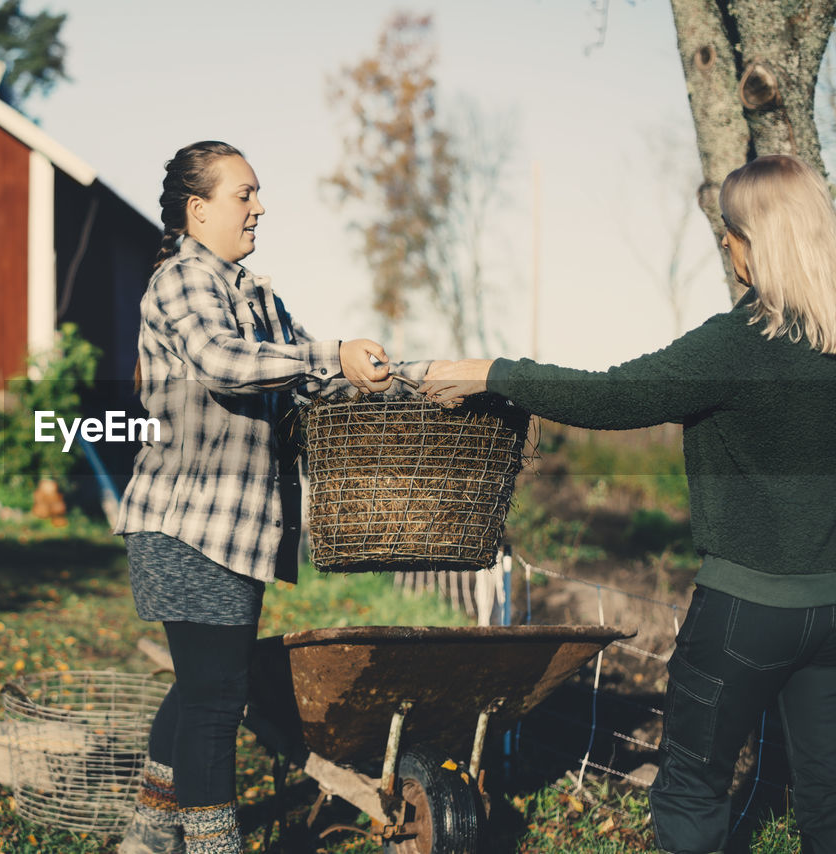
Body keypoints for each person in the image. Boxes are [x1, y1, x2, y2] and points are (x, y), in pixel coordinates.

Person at [418, 153, 836, 854]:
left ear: (749, 244)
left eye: (728, 233)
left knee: (692, 790)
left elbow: (615, 395)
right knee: (827, 796)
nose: (727, 249)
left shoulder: (739, 342)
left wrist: (490, 372)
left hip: (744, 615)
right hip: (830, 613)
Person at [113, 140, 426, 854]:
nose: (259, 207)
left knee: (200, 686)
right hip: (186, 524)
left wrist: (374, 374)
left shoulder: (256, 294)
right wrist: (329, 353)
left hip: (236, 529)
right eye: (243, 194)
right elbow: (226, 365)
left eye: (257, 194)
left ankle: (151, 837)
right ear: (198, 210)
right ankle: (208, 846)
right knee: (218, 700)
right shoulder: (181, 280)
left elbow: (308, 375)